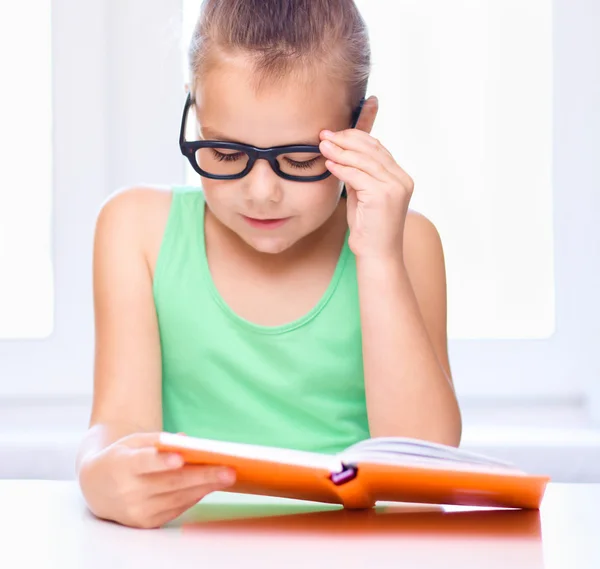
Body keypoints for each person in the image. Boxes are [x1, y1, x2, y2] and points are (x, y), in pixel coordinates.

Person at [76, 0, 461, 529]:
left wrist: (378, 258)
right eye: (227, 154)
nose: (261, 194)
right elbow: (116, 430)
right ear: (196, 109)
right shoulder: (136, 231)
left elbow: (423, 476)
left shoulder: (407, 243)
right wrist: (98, 473)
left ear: (362, 129)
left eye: (301, 160)